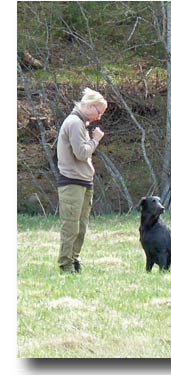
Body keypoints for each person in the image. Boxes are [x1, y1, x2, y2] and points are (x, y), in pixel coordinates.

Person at [56, 87, 106, 273]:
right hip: (72, 182)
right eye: (99, 112)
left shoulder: (81, 123)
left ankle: (74, 261)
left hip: (84, 182)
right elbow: (81, 153)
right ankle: (65, 265)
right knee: (71, 226)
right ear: (90, 106)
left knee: (81, 227)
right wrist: (95, 140)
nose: (99, 117)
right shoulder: (74, 122)